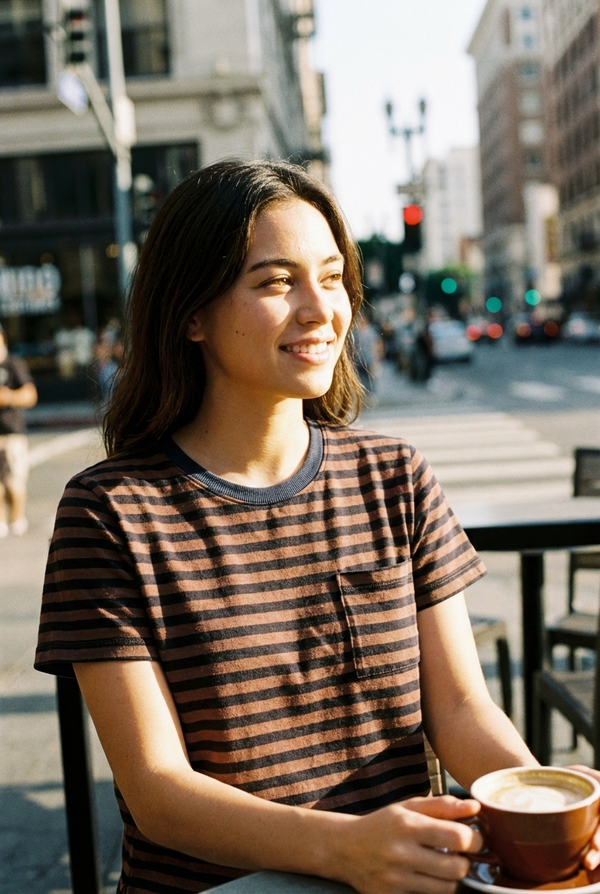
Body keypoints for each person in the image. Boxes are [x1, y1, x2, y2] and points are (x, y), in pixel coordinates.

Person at [34, 160, 600, 894]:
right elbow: (157, 791)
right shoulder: (110, 514)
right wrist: (344, 849)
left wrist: (534, 813)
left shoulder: (394, 475)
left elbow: (461, 707)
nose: (319, 309)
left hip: (404, 878)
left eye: (331, 278)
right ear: (190, 313)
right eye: (275, 283)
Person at [0, 323, 38, 537]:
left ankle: (17, 518)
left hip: (12, 432)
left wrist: (9, 397)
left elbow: (30, 394)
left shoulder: (13, 363)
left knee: (15, 480)